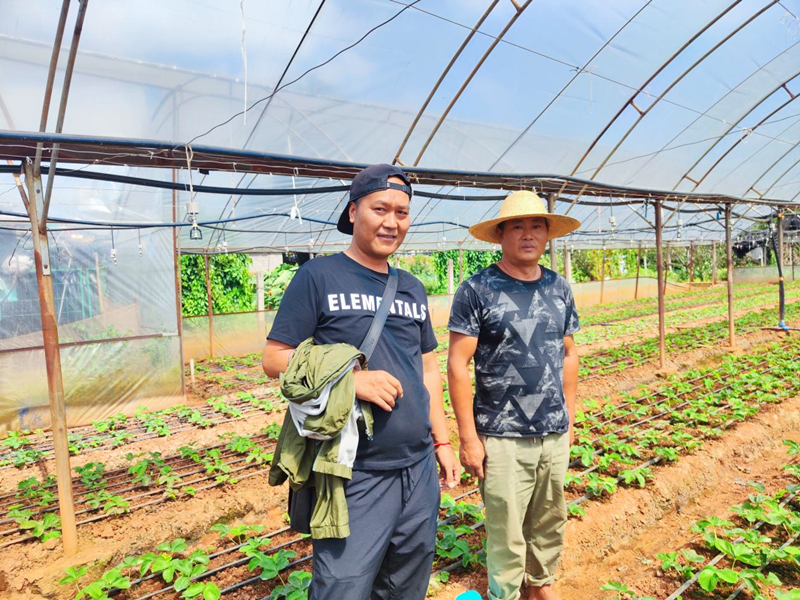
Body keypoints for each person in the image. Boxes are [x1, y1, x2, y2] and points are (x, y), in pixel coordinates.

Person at [262, 163, 459, 600]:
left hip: (418, 466)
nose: (392, 222)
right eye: (380, 209)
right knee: (342, 587)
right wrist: (351, 379)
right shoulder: (318, 277)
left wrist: (443, 443)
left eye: (402, 213)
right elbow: (274, 359)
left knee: (406, 582)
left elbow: (428, 369)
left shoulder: (411, 288)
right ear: (353, 212)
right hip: (355, 473)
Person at [447, 190, 581, 600]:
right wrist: (468, 438)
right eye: (517, 226)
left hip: (553, 433)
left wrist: (569, 420)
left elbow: (569, 354)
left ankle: (541, 586)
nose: (528, 234)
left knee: (549, 520)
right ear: (501, 235)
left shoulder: (559, 287)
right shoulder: (477, 289)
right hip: (502, 436)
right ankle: (504, 593)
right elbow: (456, 364)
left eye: (536, 225)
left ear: (547, 234)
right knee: (505, 531)